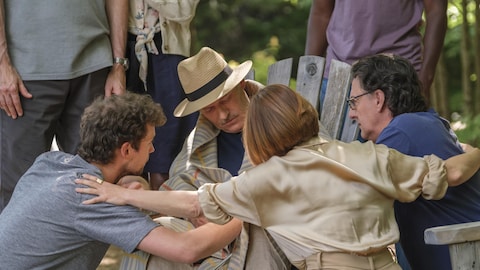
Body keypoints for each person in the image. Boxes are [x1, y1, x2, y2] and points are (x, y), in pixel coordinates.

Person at [76, 84, 480, 270]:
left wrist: (121, 195)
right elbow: (453, 171)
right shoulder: (369, 156)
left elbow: (191, 203)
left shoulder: (269, 178)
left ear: (261, 133)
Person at [0, 92, 242, 269]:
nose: (153, 151)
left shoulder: (49, 163)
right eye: (149, 143)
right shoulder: (91, 197)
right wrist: (246, 213)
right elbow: (186, 249)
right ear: (126, 150)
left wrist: (131, 190)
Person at [119, 46, 291, 270]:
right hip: (209, 240)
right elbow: (179, 187)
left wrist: (222, 214)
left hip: (267, 234)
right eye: (209, 109)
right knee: (152, 238)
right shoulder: (200, 141)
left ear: (240, 84)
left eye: (225, 100)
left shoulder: (283, 118)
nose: (222, 115)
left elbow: (304, 177)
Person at [347, 54, 480, 270]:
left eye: (354, 101)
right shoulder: (424, 123)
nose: (351, 113)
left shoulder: (401, 131)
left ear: (378, 99)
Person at [0, 0, 128, 213]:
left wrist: (118, 64)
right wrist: (2, 63)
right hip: (26, 71)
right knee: (17, 191)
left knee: (95, 186)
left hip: (94, 63)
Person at [305, 0, 447, 106]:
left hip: (399, 78)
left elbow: (436, 10)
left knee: (398, 144)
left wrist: (425, 80)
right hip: (337, 77)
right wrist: (310, 77)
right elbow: (321, 13)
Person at [126, 0, 199, 189]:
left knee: (167, 153)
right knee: (125, 148)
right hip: (120, 55)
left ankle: (165, 214)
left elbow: (182, 11)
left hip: (168, 56)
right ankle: (130, 214)